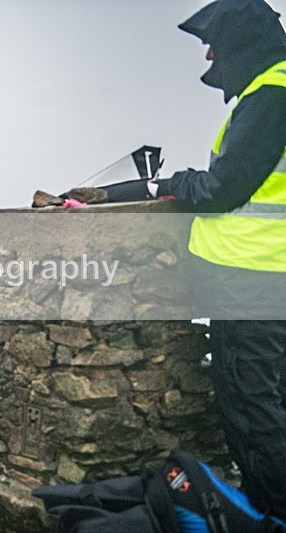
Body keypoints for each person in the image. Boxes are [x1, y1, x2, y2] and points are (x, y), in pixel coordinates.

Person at [142, 0, 286, 519]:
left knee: (252, 409)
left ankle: (274, 517)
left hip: (255, 278)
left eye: (214, 42)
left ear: (241, 41)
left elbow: (224, 188)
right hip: (272, 277)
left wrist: (179, 183)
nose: (208, 53)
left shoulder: (273, 94)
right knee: (275, 398)